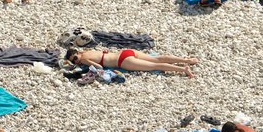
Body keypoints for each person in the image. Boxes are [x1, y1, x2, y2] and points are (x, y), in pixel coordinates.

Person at [65, 48, 198, 77]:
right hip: (125, 52)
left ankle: (184, 70)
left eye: (75, 59)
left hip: (123, 61)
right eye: (74, 61)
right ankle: (187, 60)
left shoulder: (83, 59)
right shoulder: (88, 51)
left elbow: (99, 66)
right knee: (158, 58)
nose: (77, 61)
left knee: (154, 66)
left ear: (77, 55)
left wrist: (89, 67)